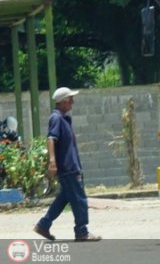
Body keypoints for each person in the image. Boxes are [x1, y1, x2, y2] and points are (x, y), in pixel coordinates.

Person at [34, 87, 101, 242]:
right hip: (68, 167)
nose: (73, 101)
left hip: (71, 166)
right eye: (70, 98)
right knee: (79, 200)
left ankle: (43, 225)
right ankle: (82, 232)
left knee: (64, 198)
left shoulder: (64, 118)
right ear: (63, 101)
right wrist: (52, 162)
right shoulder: (56, 118)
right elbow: (51, 139)